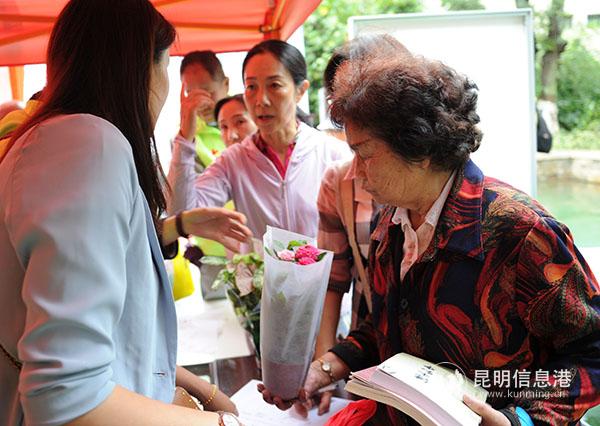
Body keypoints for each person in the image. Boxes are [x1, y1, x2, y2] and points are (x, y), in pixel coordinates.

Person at [260, 38, 600, 425]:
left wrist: (517, 419)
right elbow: (383, 328)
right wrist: (323, 369)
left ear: (419, 148)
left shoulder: (519, 231)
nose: (355, 171)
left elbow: (592, 352)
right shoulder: (391, 222)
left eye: (364, 154)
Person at [0, 1, 245, 424]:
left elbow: (108, 339)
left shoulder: (56, 139)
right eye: (167, 68)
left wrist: (202, 389)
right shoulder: (87, 143)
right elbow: (67, 395)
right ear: (142, 68)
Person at [168, 39, 351, 240]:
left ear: (300, 90)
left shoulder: (333, 154)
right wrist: (185, 137)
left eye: (274, 85)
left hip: (326, 262)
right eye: (251, 87)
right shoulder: (233, 161)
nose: (261, 100)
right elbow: (182, 215)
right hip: (259, 263)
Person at [315, 36, 412, 363]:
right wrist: (325, 361)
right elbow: (334, 278)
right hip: (371, 346)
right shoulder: (339, 182)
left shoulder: (436, 178)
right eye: (338, 96)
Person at [178, 50, 230, 174]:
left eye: (208, 92)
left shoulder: (252, 117)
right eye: (191, 94)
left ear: (226, 84)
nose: (200, 102)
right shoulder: (186, 139)